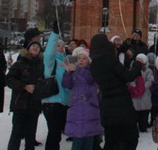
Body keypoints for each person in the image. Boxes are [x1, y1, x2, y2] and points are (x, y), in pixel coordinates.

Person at [89, 33, 144, 150]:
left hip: (106, 106)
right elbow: (128, 76)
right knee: (130, 139)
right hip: (122, 105)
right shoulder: (110, 60)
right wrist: (137, 64)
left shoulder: (94, 65)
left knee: (112, 140)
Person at [6, 41, 45, 150]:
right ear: (28, 49)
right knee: (16, 133)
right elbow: (9, 79)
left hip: (35, 105)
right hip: (20, 104)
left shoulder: (42, 65)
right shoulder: (19, 64)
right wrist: (24, 86)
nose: (35, 48)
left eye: (38, 46)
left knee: (31, 134)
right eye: (33, 45)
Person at [62, 47, 103, 150]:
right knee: (77, 142)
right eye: (79, 58)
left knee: (88, 141)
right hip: (76, 109)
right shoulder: (75, 72)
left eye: (84, 58)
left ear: (89, 61)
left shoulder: (92, 72)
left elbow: (89, 79)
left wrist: (77, 69)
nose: (80, 60)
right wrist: (67, 72)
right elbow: (67, 84)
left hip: (90, 109)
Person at [42, 22, 71, 150]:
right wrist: (55, 34)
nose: (61, 47)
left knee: (57, 133)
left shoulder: (68, 60)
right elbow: (49, 52)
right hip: (52, 101)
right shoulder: (51, 62)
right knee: (54, 132)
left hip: (64, 102)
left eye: (62, 45)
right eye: (58, 45)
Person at [131, 53, 154, 133]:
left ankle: (143, 126)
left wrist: (143, 87)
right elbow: (130, 79)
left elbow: (150, 80)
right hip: (135, 94)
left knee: (144, 114)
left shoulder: (148, 70)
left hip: (145, 95)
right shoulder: (132, 69)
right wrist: (134, 86)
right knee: (134, 113)